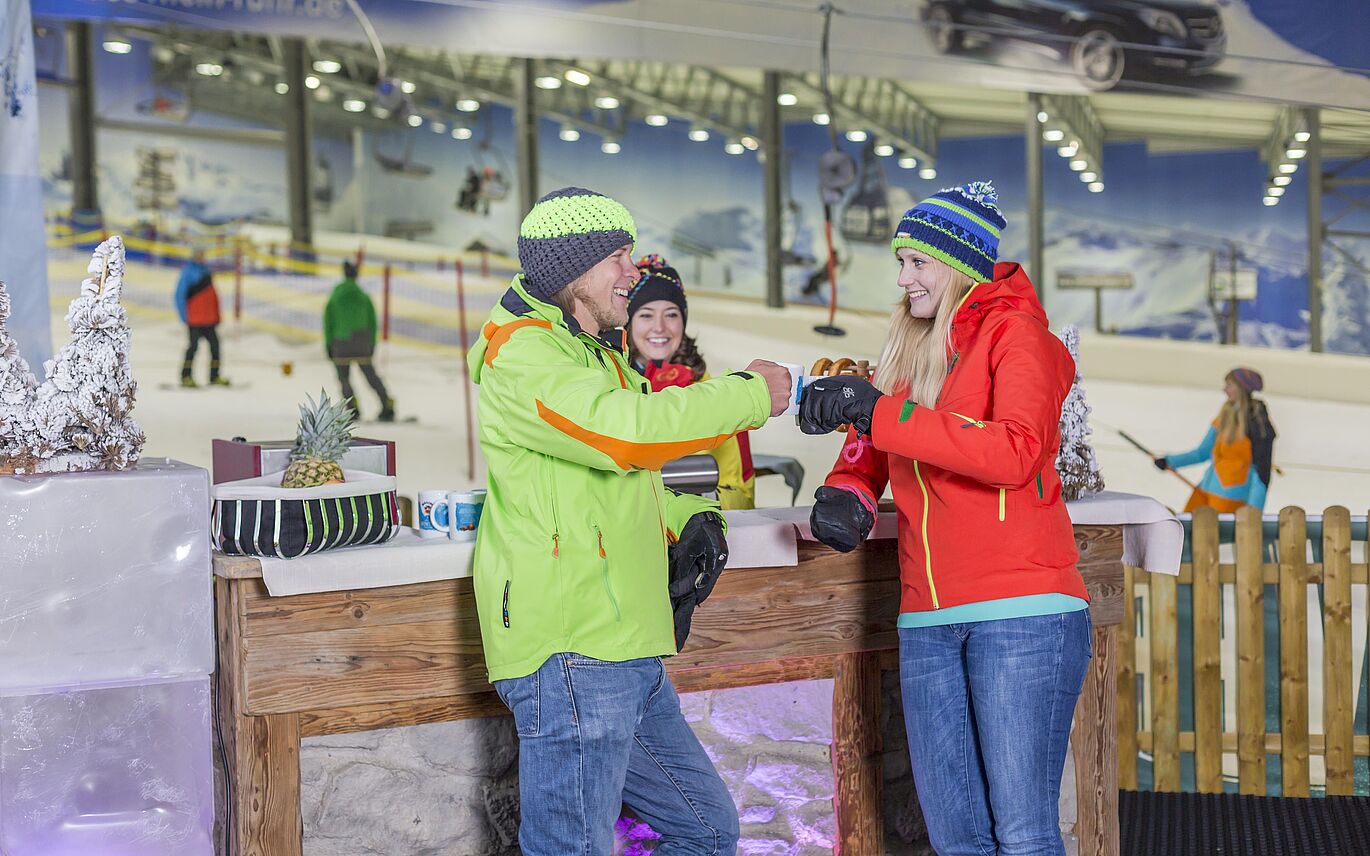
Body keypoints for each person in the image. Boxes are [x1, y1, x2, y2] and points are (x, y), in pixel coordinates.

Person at [467, 187, 790, 855]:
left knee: (704, 828)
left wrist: (691, 517)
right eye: (617, 256)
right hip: (573, 647)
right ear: (571, 271)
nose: (632, 271)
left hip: (627, 645)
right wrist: (749, 393)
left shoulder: (597, 353)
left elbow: (632, 473)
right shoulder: (527, 354)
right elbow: (628, 436)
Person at [798, 181, 1090, 856]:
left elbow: (1015, 450)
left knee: (1021, 834)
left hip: (1022, 612)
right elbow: (886, 435)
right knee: (957, 839)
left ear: (958, 263)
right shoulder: (912, 342)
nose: (904, 280)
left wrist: (874, 410)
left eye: (917, 263)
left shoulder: (1020, 337)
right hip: (928, 617)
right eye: (901, 264)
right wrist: (851, 483)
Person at [626, 254, 756, 510]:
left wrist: (694, 502)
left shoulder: (720, 395)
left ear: (683, 321)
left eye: (671, 314)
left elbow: (742, 495)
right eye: (646, 315)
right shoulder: (608, 387)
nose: (660, 327)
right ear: (627, 322)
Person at [1153, 367, 1275, 511]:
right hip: (1205, 490)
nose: (1224, 389)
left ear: (1242, 388)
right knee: (1186, 529)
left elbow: (1261, 471)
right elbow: (1202, 452)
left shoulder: (1257, 424)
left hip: (1230, 497)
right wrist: (1170, 461)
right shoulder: (1223, 418)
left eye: (1229, 385)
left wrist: (1255, 510)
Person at [324, 261, 395, 422]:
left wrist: (328, 344)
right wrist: (371, 344)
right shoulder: (364, 297)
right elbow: (372, 322)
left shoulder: (335, 297)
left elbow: (328, 322)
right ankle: (386, 403)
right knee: (370, 374)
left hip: (341, 341)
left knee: (344, 377)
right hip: (362, 341)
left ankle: (352, 406)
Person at [174, 248, 227, 387]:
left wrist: (217, 315)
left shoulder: (206, 272)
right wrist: (184, 316)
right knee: (193, 348)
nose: (201, 257)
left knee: (215, 347)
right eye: (199, 254)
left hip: (209, 320)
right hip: (194, 320)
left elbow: (213, 296)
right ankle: (186, 376)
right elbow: (179, 295)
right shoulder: (188, 273)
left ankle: (214, 376)